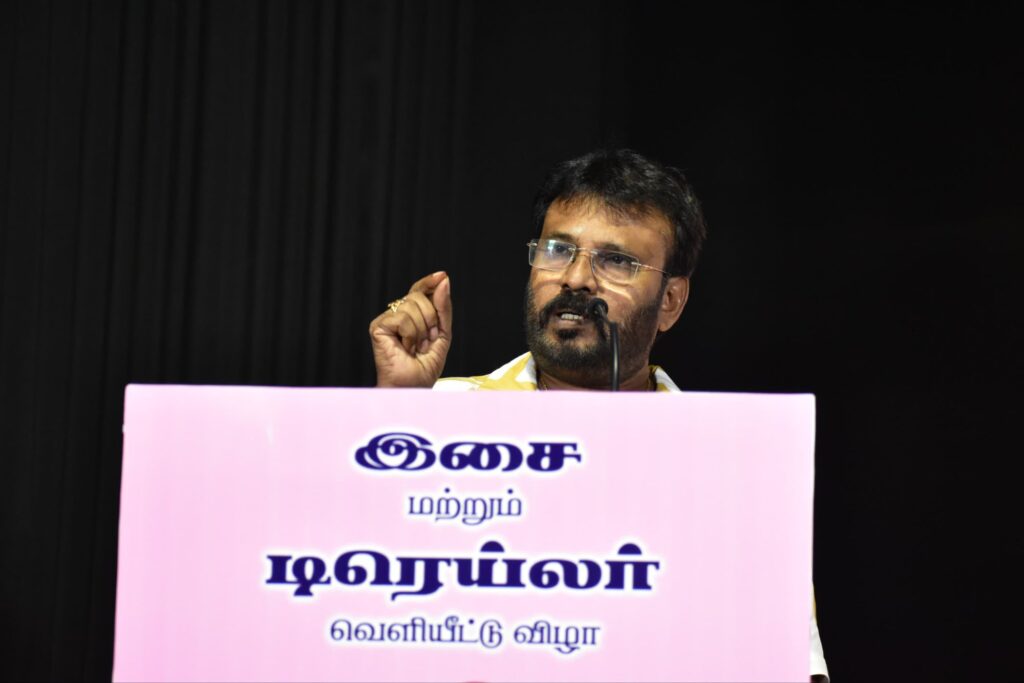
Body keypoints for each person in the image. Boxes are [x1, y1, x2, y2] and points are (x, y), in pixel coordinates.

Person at [368, 149, 828, 681]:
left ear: (671, 302)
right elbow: (356, 595)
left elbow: (789, 664)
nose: (577, 278)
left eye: (617, 261)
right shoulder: (444, 414)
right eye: (558, 249)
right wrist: (395, 413)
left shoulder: (731, 468)